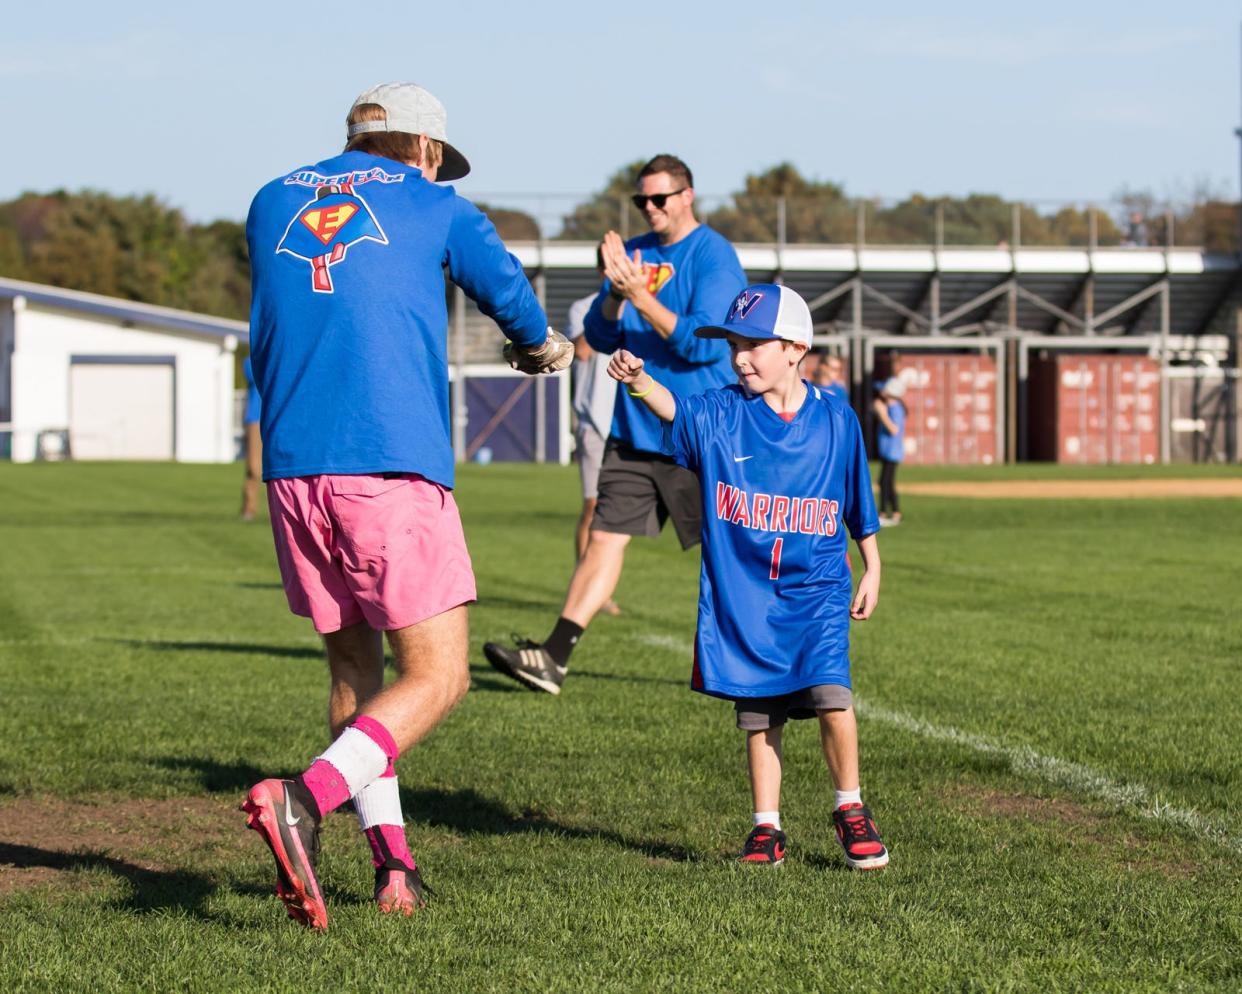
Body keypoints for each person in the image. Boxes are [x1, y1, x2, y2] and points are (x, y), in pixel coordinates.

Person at [240, 81, 572, 929]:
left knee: (356, 673)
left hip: (292, 469)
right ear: (423, 149)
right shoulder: (438, 203)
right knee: (439, 675)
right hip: (386, 460)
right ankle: (303, 802)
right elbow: (511, 296)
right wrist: (539, 347)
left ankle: (394, 869)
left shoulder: (271, 198)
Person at [607, 283, 889, 870]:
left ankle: (850, 807)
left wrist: (873, 564)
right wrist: (638, 380)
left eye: (753, 343)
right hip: (748, 595)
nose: (739, 355)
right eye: (734, 343)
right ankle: (767, 826)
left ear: (794, 347)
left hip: (817, 589)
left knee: (834, 697)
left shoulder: (837, 417)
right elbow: (673, 408)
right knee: (760, 712)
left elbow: (857, 499)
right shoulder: (721, 412)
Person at [483, 154, 746, 694]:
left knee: (731, 550)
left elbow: (702, 342)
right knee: (604, 539)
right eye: (640, 201)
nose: (649, 209)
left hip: (697, 430)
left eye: (659, 199)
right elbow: (600, 337)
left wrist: (638, 296)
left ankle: (756, 658)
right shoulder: (635, 254)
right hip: (633, 429)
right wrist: (613, 296)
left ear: (687, 196)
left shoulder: (713, 255)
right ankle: (553, 658)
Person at [566, 249, 620, 615]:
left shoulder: (640, 305)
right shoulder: (582, 307)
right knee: (592, 507)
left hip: (625, 419)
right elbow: (581, 351)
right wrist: (609, 306)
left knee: (616, 515)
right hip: (594, 422)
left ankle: (600, 588)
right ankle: (584, 582)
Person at [874, 377, 906, 526]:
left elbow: (894, 430)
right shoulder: (891, 407)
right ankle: (895, 513)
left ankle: (883, 513)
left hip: (892, 452)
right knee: (886, 482)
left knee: (885, 482)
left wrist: (882, 413)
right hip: (887, 451)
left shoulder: (896, 409)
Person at [239, 356, 262, 521]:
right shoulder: (249, 362)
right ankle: (249, 508)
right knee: (253, 468)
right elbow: (258, 375)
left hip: (276, 417)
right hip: (255, 418)